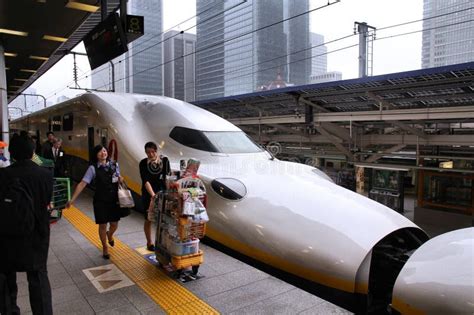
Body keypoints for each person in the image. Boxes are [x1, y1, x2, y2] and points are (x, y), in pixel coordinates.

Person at [0, 133, 54, 315]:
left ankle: (10, 311)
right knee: (38, 276)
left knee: (7, 277)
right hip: (37, 234)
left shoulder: (3, 175)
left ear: (12, 153)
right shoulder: (46, 175)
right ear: (33, 152)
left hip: (9, 235)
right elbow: (46, 201)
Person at [66, 145, 123, 259]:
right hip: (100, 200)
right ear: (96, 155)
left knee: (114, 224)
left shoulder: (114, 165)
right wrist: (72, 199)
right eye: (100, 151)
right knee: (102, 225)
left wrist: (121, 179)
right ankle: (105, 247)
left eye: (104, 150)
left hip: (113, 200)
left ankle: (110, 235)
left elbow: (119, 178)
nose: (103, 153)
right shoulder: (93, 168)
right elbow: (83, 183)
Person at [139, 142, 170, 251]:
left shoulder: (165, 161)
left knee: (163, 219)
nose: (151, 154)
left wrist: (169, 193)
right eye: (148, 152)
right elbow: (145, 181)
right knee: (149, 218)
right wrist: (153, 195)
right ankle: (149, 242)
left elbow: (167, 178)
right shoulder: (143, 163)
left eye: (153, 151)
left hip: (162, 194)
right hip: (149, 194)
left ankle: (162, 242)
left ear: (156, 151)